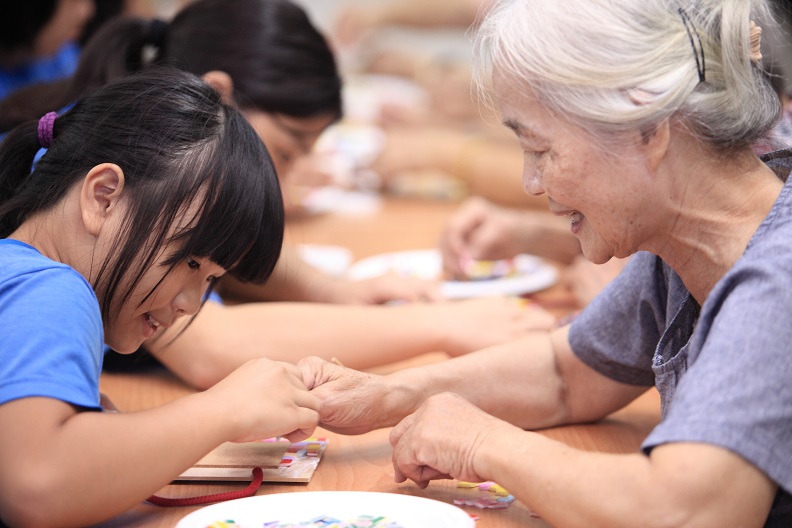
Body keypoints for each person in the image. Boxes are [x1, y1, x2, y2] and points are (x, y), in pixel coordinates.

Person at [298, 0, 792, 525]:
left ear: (651, 130)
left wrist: (480, 441)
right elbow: (568, 373)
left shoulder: (776, 276)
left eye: (540, 148)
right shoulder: (683, 238)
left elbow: (685, 511)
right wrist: (388, 395)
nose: (531, 184)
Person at [1, 0, 556, 389]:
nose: (291, 172)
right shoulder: (116, 193)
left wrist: (330, 288)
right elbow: (210, 346)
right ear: (218, 97)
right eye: (289, 149)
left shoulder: (112, 137)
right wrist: (442, 326)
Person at [0, 67, 320, 527]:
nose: (191, 303)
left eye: (211, 278)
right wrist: (225, 409)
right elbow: (35, 486)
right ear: (103, 197)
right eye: (190, 262)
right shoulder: (53, 290)